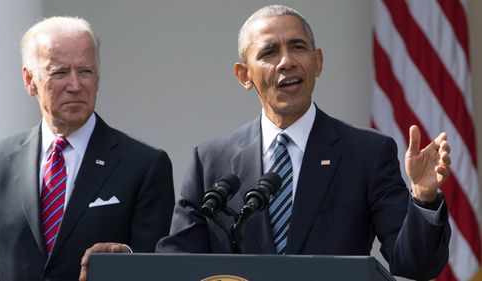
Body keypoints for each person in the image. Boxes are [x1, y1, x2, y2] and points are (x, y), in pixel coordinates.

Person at [81, 5, 451, 281]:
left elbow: (415, 266)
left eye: (298, 47)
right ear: (244, 74)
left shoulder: (366, 153)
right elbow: (179, 261)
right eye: (269, 52)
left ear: (318, 62)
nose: (287, 61)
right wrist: (124, 260)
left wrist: (423, 197)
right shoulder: (211, 160)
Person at [0, 16, 175, 281]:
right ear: (30, 80)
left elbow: (157, 264)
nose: (75, 85)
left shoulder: (144, 165)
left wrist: (125, 259)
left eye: (85, 71)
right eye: (60, 72)